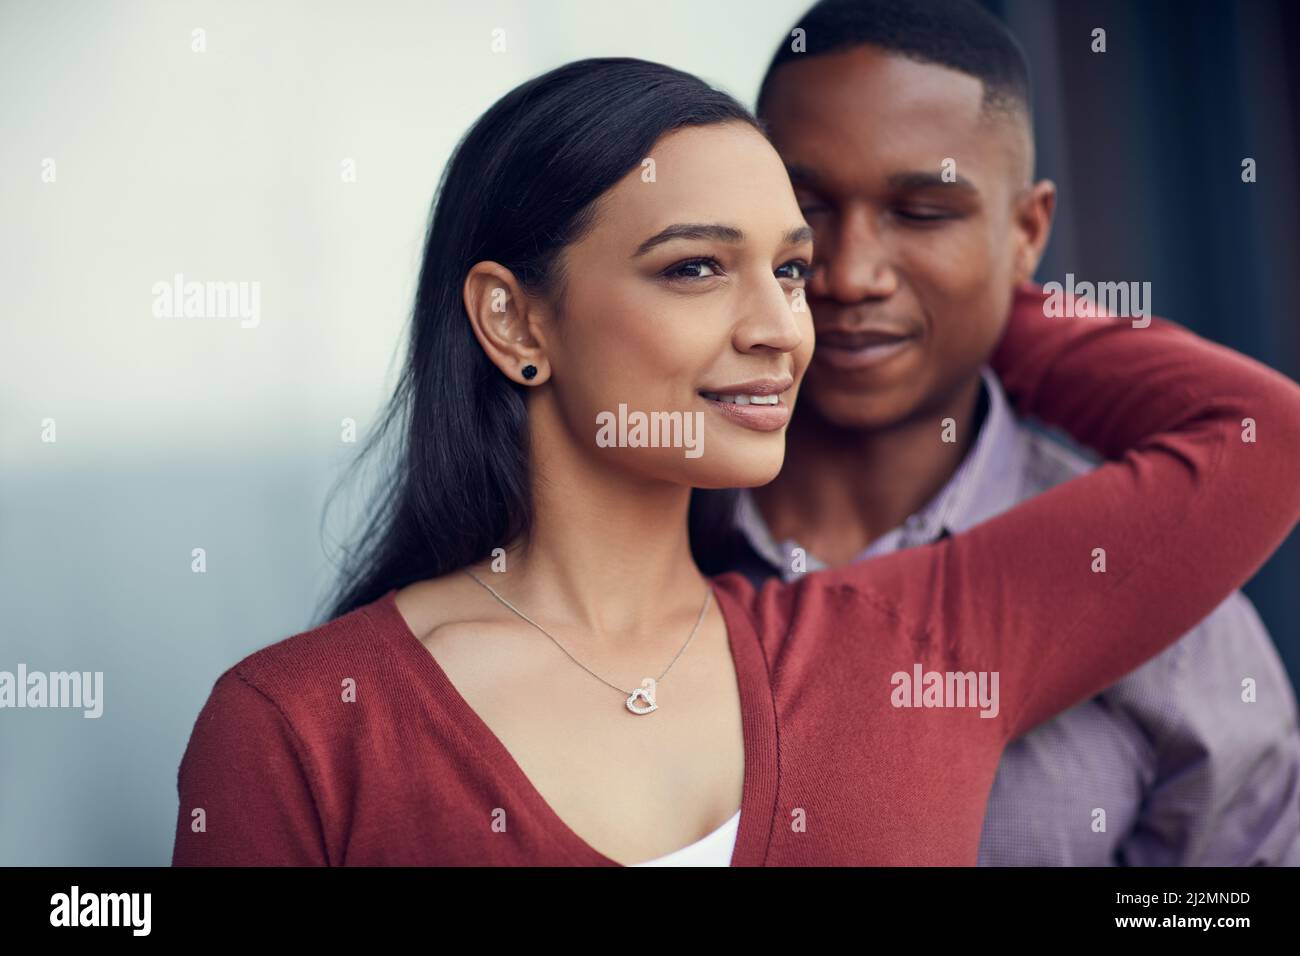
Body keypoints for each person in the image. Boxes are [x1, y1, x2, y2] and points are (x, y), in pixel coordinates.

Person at [171, 57, 1300, 866]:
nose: (789, 325)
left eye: (789, 271)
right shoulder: (300, 727)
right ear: (515, 323)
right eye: (697, 268)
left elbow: (1264, 436)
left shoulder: (923, 640)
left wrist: (974, 294)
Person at [700, 0, 1300, 865]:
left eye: (923, 212)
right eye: (807, 205)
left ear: (1027, 233)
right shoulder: (645, 528)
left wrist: (996, 320)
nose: (848, 274)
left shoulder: (1153, 564)